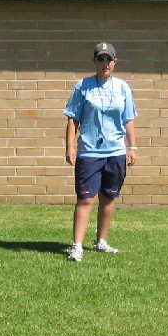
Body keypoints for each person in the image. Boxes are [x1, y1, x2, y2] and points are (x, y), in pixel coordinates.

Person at [63, 41, 138, 262]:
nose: (104, 63)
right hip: (89, 152)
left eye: (108, 59)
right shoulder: (82, 86)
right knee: (85, 199)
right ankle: (77, 246)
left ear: (115, 61)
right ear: (94, 62)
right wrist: (70, 146)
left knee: (109, 197)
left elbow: (129, 119)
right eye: (100, 59)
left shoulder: (123, 87)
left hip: (115, 151)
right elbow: (72, 119)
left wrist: (132, 147)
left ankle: (101, 241)